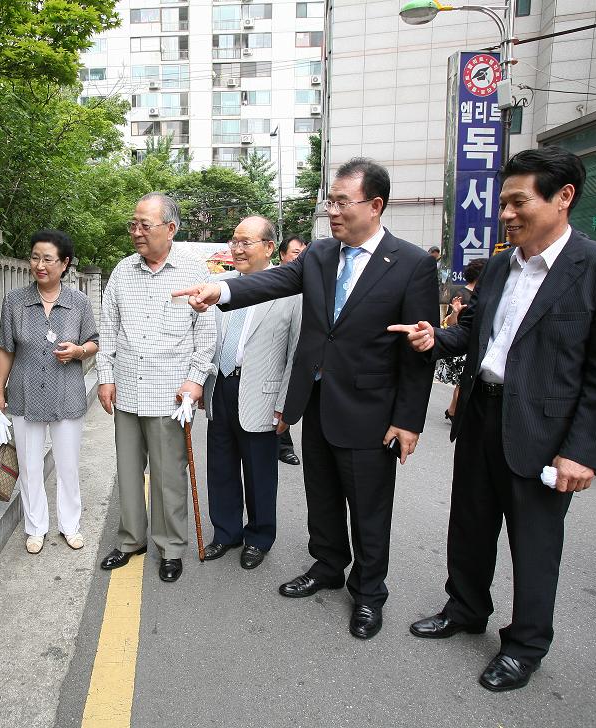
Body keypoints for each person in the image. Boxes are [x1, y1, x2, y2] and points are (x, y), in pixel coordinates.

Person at [390, 146, 596, 692]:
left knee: (534, 545)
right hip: (482, 415)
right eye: (503, 202)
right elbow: (478, 336)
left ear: (564, 197)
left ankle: (525, 645)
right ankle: (465, 608)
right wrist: (436, 337)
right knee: (470, 523)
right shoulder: (503, 264)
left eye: (517, 201)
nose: (505, 213)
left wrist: (582, 452)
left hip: (545, 435)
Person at [177, 158, 438, 639]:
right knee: (321, 496)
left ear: (375, 205)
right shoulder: (319, 255)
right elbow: (273, 281)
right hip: (315, 403)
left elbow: (417, 349)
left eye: (343, 202)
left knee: (368, 507)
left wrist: (409, 420)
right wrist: (220, 289)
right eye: (330, 201)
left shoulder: (411, 263)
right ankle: (327, 566)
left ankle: (369, 593)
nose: (333, 211)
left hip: (370, 411)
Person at [96, 192, 217, 584]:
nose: (136, 232)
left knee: (169, 475)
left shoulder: (195, 271)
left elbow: (207, 333)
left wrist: (195, 380)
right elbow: (108, 329)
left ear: (170, 228)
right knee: (128, 471)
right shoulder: (122, 271)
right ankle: (132, 539)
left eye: (144, 225)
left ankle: (170, 546)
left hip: (171, 394)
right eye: (133, 225)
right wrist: (105, 377)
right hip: (128, 389)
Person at [201, 216, 301, 570]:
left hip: (263, 393)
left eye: (246, 242)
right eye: (234, 241)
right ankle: (226, 532)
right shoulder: (221, 285)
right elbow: (208, 342)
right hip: (223, 386)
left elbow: (295, 352)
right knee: (221, 465)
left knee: (259, 471)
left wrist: (285, 406)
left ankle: (259, 537)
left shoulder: (291, 292)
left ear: (269, 247)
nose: (237, 249)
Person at [0, 230, 99, 555]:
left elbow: (95, 340)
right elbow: (5, 349)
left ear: (64, 263)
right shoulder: (15, 302)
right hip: (24, 393)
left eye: (48, 259)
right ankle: (35, 527)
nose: (40, 265)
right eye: (35, 257)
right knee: (29, 466)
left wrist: (79, 352)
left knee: (67, 466)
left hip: (66, 393)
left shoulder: (78, 302)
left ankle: (70, 525)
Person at [436, 258, 487, 424]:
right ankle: (458, 413)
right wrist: (455, 312)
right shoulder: (462, 294)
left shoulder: (481, 294)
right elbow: (449, 323)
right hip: (462, 346)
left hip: (473, 344)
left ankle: (452, 410)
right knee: (463, 383)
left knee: (462, 382)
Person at [276, 235, 308, 466]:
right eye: (297, 253)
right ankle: (283, 444)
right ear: (282, 255)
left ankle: (285, 444)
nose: (302, 258)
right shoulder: (273, 280)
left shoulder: (310, 279)